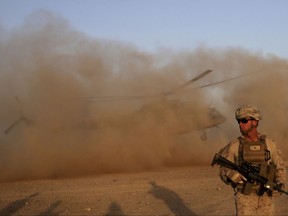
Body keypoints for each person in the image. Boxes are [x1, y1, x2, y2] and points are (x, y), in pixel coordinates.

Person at [217, 105, 286, 215]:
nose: (240, 124)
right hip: (245, 199)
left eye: (244, 121)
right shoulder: (235, 146)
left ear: (255, 122)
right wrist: (231, 175)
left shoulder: (269, 144)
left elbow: (280, 168)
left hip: (266, 199)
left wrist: (280, 183)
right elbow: (222, 169)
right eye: (238, 121)